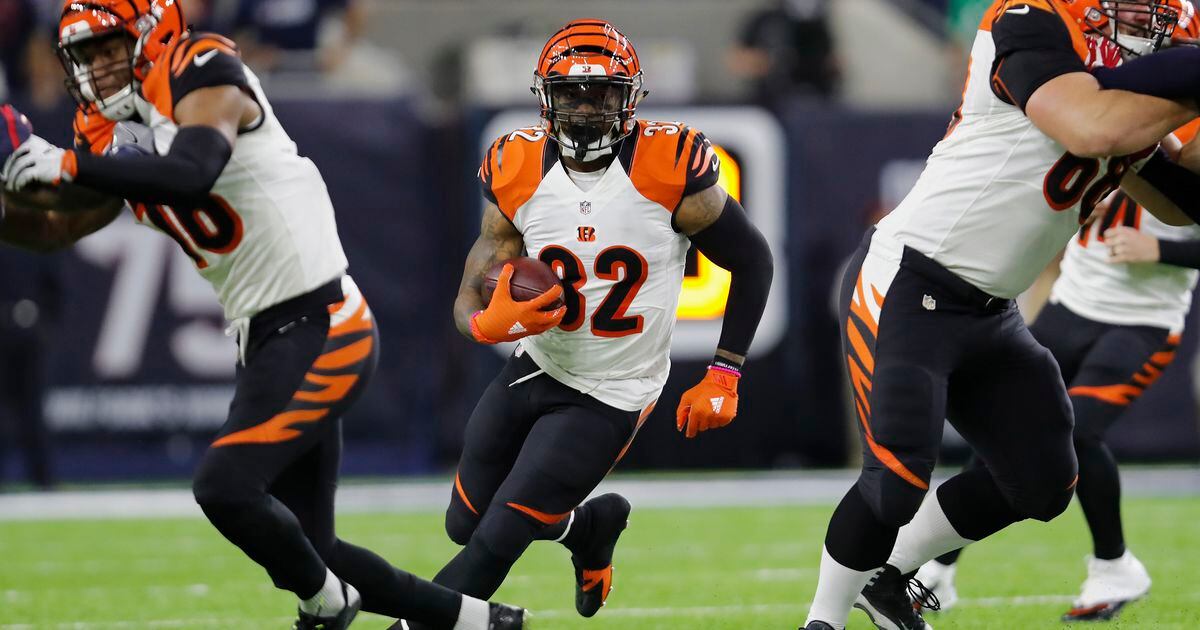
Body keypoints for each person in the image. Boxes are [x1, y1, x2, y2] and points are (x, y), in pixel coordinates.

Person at [0, 1, 526, 628]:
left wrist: (67, 163)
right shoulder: (106, 132)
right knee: (314, 545)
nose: (99, 67)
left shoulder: (200, 67)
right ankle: (478, 621)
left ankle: (326, 607)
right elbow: (58, 228)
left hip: (321, 321)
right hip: (266, 335)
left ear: (151, 32)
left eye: (110, 46)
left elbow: (195, 170)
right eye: (85, 55)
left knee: (225, 487)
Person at [801, 1, 1200, 628]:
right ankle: (821, 621)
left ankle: (886, 577)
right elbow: (1090, 129)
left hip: (990, 309)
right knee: (898, 476)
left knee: (1042, 479)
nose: (1142, 16)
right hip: (912, 279)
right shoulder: (1026, 20)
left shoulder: (1130, 97)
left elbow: (1182, 202)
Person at [397, 18, 774, 629]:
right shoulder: (515, 163)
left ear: (629, 99)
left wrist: (725, 372)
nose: (585, 109)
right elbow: (473, 284)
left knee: (496, 539)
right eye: (571, 93)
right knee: (462, 522)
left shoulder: (669, 162)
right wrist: (482, 326)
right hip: (539, 364)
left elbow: (752, 259)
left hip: (613, 389)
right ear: (546, 97)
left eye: (602, 93)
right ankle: (588, 526)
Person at [917, 187, 1200, 622]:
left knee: (1077, 430)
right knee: (1003, 424)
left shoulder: (1188, 145)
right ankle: (940, 568)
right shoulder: (1119, 122)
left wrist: (1160, 247)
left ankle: (1114, 564)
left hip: (1142, 322)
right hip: (1070, 303)